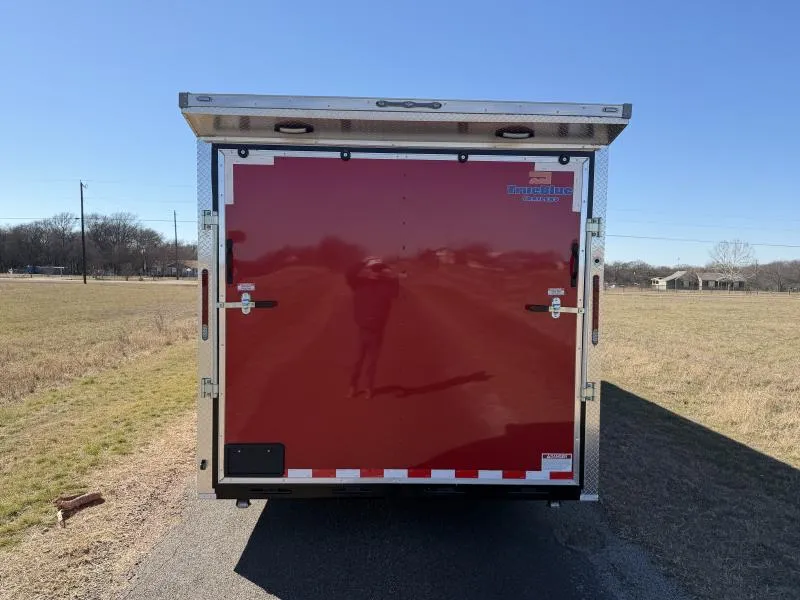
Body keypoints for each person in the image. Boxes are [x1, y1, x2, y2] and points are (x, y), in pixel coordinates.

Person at [346, 257, 399, 399]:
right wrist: (363, 262)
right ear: (368, 269)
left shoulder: (386, 285)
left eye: (379, 269)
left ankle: (369, 388)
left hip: (377, 331)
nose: (376, 272)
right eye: (374, 269)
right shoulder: (359, 284)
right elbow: (349, 273)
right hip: (363, 330)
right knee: (357, 361)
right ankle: (352, 386)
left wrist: (391, 273)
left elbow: (396, 292)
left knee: (372, 363)